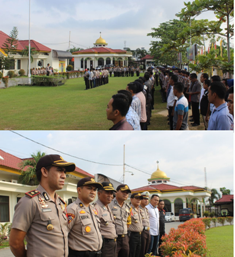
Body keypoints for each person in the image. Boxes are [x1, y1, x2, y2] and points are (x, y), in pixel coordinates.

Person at [9, 154, 76, 257]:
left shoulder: (60, 203)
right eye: (59, 170)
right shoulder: (30, 201)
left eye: (64, 172)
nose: (64, 176)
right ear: (44, 171)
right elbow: (15, 243)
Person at [67, 177, 103, 257]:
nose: (93, 192)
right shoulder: (72, 209)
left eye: (94, 189)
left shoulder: (93, 209)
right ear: (79, 190)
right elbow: (64, 234)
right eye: (89, 188)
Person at [94, 182, 117, 257]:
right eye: (107, 192)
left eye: (111, 193)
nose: (110, 195)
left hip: (112, 243)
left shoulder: (107, 206)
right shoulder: (95, 208)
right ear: (99, 194)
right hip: (104, 244)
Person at [109, 184, 132, 257]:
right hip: (114, 238)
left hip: (125, 237)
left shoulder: (128, 206)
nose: (125, 194)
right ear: (116, 192)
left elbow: (128, 222)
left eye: (127, 192)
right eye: (123, 191)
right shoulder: (109, 204)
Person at [128, 193, 143, 257]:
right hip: (132, 235)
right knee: (132, 253)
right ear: (131, 199)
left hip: (139, 234)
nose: (138, 200)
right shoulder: (129, 209)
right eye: (136, 198)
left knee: (138, 252)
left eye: (140, 199)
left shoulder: (139, 209)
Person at [139, 192, 151, 257]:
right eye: (144, 199)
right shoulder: (138, 209)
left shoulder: (146, 209)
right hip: (142, 231)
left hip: (148, 231)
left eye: (147, 199)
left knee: (146, 249)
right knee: (142, 250)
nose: (146, 200)